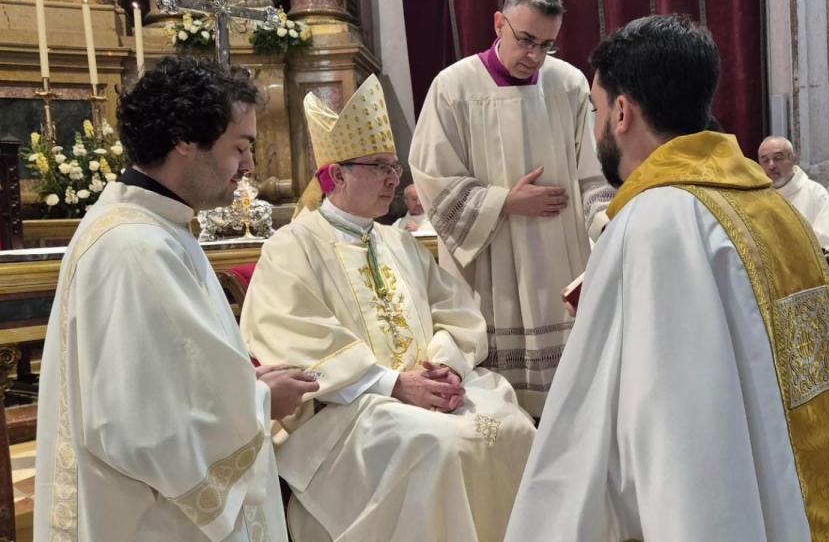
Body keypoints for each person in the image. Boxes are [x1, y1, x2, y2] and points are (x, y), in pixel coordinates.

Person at [506, 14, 829, 541]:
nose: (594, 130)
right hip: (797, 490)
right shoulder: (767, 203)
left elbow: (673, 427)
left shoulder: (655, 218)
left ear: (620, 112)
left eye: (594, 110)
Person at [32, 56, 319, 541]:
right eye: (240, 147)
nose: (248, 166)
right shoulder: (134, 248)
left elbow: (154, 372)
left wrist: (239, 381)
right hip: (151, 519)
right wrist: (258, 402)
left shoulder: (152, 224)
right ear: (186, 138)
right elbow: (139, 425)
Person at [240, 75, 536, 542]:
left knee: (514, 428)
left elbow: (455, 312)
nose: (394, 178)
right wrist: (395, 383)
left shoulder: (402, 242)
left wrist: (444, 367)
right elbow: (294, 336)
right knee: (444, 447)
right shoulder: (291, 247)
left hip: (429, 390)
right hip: (348, 407)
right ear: (337, 175)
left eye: (394, 166)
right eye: (378, 166)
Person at [409, 0, 613, 415]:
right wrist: (505, 202)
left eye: (547, 45)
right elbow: (433, 176)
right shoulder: (453, 86)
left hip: (558, 257)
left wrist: (613, 228)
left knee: (568, 403)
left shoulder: (569, 84)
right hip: (489, 260)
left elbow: (593, 176)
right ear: (499, 23)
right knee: (498, 410)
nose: (535, 56)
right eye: (525, 40)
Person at [757, 135, 829, 249]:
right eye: (765, 160)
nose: (771, 165)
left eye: (778, 158)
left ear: (794, 159)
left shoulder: (814, 192)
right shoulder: (756, 196)